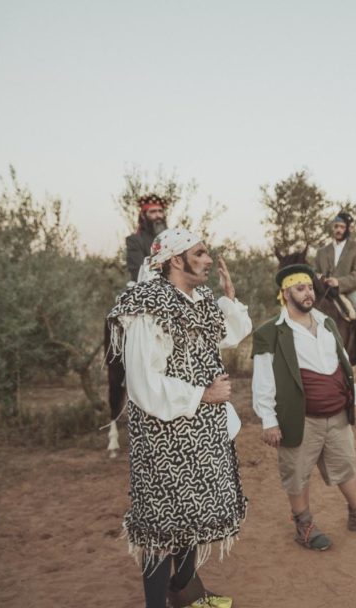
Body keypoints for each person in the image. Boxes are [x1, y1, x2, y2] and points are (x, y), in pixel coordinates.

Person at [107, 228, 251, 608]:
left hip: (203, 434)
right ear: (174, 259)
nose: (208, 259)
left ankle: (184, 595)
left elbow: (228, 335)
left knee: (192, 517)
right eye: (199, 253)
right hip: (163, 440)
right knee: (161, 529)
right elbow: (142, 382)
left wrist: (230, 298)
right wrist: (203, 394)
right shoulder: (148, 307)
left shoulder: (201, 300)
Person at [251, 263, 356, 551]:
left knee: (345, 464)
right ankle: (303, 525)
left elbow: (341, 360)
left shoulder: (327, 322)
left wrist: (351, 397)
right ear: (285, 293)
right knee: (297, 472)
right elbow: (263, 379)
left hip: (336, 412)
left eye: (309, 288)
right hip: (299, 417)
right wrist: (269, 420)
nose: (308, 294)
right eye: (299, 288)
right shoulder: (270, 333)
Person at [314, 211, 356, 375]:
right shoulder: (322, 252)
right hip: (326, 291)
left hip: (351, 290)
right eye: (336, 226)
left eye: (342, 227)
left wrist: (339, 282)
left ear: (348, 229)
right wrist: (319, 277)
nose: (338, 230)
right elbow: (316, 271)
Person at [126, 194, 169, 282]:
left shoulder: (172, 238)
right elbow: (140, 270)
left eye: (160, 211)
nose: (158, 215)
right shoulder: (134, 240)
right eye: (153, 212)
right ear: (143, 215)